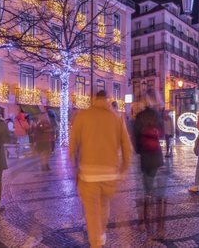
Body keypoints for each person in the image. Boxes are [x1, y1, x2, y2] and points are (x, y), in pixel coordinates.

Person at [70, 91, 132, 248]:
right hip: (110, 174)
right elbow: (127, 146)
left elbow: (72, 146)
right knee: (104, 206)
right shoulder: (117, 118)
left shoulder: (82, 116)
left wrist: (75, 167)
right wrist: (123, 169)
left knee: (92, 212)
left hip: (89, 174)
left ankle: (96, 242)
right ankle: (101, 234)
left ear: (94, 99)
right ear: (107, 100)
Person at [132, 94, 166, 237]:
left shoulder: (139, 117)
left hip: (145, 155)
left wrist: (139, 151)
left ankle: (144, 221)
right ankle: (159, 226)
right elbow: (163, 133)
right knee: (155, 182)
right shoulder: (157, 115)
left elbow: (135, 137)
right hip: (156, 155)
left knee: (145, 187)